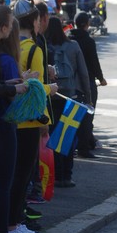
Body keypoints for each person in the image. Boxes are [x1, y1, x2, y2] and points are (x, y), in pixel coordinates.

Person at [9, 0, 57, 233]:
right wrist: (53, 88)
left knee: (12, 175)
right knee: (23, 176)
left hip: (10, 118)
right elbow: (37, 90)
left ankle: (12, 222)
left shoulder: (12, 46)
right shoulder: (34, 49)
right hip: (28, 121)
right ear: (35, 21)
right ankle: (14, 223)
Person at [45, 16, 91, 186]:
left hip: (51, 96)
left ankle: (55, 175)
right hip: (70, 96)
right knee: (68, 136)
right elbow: (83, 73)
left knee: (52, 135)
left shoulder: (45, 46)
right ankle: (67, 175)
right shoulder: (73, 46)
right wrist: (88, 97)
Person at [0, 6, 29, 233]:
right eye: (9, 24)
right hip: (2, 122)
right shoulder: (4, 56)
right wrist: (14, 89)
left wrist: (8, 84)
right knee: (4, 181)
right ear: (4, 28)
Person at [70, 12, 107, 158]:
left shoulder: (68, 38)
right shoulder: (88, 41)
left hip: (70, 82)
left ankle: (74, 145)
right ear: (87, 24)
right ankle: (84, 147)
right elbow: (94, 62)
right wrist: (101, 78)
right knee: (87, 115)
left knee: (71, 116)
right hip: (86, 81)